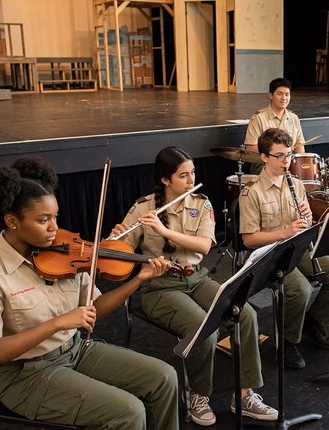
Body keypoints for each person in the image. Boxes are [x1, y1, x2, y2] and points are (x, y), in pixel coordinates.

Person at [0, 156, 179, 430]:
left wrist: (138, 280)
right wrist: (58, 323)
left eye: (55, 217)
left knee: (164, 377)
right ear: (12, 221)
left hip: (76, 351)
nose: (55, 228)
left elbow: (95, 308)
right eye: (44, 220)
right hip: (27, 376)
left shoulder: (66, 252)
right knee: (128, 412)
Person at [111, 147, 277, 426]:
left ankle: (244, 394)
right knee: (204, 330)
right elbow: (123, 251)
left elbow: (202, 247)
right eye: (183, 175)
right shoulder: (143, 207)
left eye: (193, 173)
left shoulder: (202, 203)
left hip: (196, 278)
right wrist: (118, 239)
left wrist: (164, 232)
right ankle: (197, 394)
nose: (191, 180)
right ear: (166, 180)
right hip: (159, 287)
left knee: (245, 314)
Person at [239, 128, 329, 369]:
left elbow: (306, 224)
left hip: (298, 247)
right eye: (279, 156)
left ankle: (314, 321)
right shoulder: (252, 192)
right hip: (270, 254)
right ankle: (286, 341)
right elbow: (249, 240)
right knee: (300, 289)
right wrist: (285, 233)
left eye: (289, 155)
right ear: (264, 157)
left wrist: (309, 218)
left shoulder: (297, 184)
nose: (286, 161)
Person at [244, 78, 306, 174]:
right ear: (271, 95)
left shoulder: (294, 118)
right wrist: (276, 156)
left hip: (288, 165)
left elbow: (299, 146)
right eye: (280, 94)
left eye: (287, 94)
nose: (284, 98)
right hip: (264, 166)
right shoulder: (259, 118)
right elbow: (251, 148)